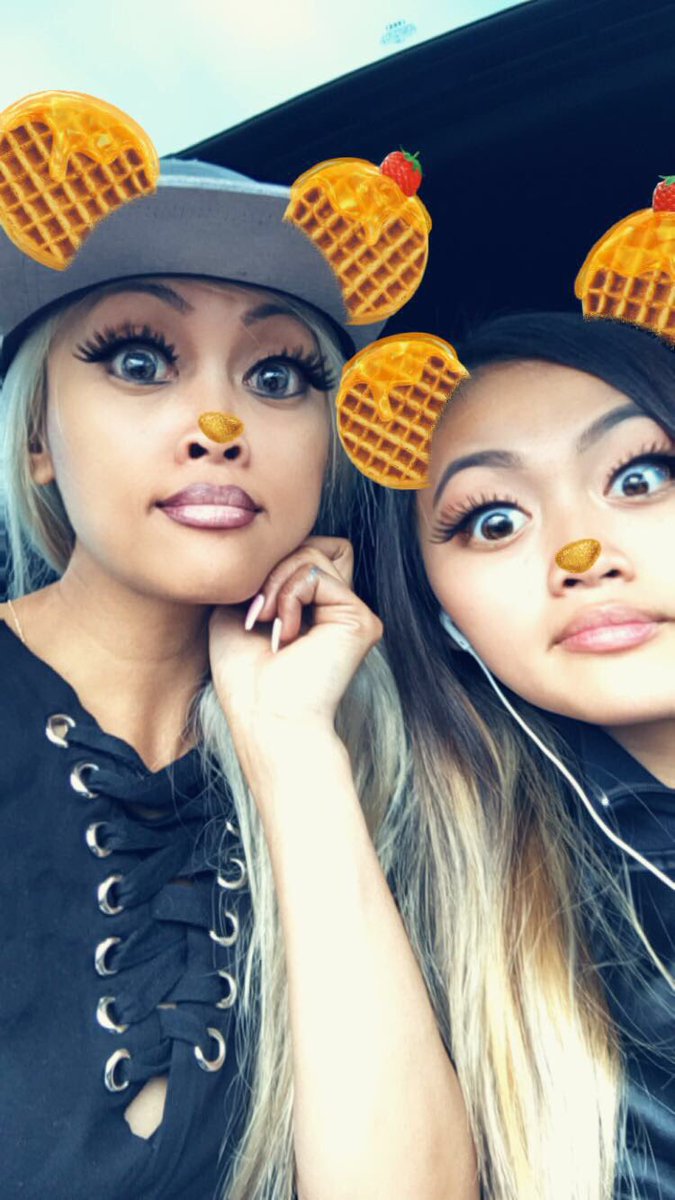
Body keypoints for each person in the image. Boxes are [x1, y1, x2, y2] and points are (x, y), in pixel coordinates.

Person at [0, 157, 476, 1200]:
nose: (220, 426)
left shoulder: (397, 760)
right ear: (37, 435)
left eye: (277, 378)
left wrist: (291, 751)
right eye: (139, 361)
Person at [375, 312, 675, 1200]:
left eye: (639, 477)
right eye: (494, 520)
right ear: (442, 618)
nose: (581, 556)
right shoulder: (463, 912)